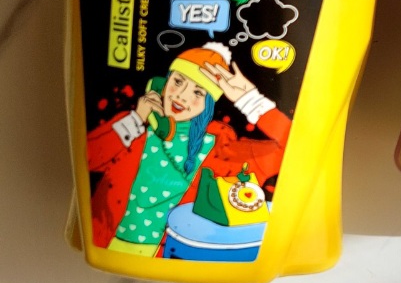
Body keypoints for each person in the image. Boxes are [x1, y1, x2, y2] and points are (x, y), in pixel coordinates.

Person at [86, 42, 291, 255]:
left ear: (209, 103)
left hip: (171, 258)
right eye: (178, 81)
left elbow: (293, 150)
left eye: (198, 92)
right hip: (107, 248)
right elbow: (86, 161)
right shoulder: (131, 129)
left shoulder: (223, 151)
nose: (181, 96)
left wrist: (249, 100)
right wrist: (136, 119)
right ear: (163, 82)